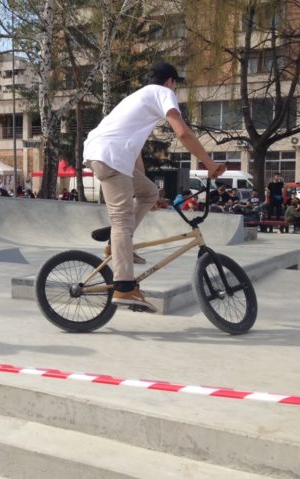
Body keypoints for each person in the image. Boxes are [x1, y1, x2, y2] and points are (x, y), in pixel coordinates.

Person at [83, 61, 225, 313]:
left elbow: (135, 154)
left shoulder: (138, 99)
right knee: (121, 223)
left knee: (150, 192)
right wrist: (209, 164)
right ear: (170, 81)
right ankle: (124, 286)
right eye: (175, 85)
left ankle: (117, 245)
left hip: (106, 154)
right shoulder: (164, 93)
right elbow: (182, 133)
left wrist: (146, 191)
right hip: (110, 157)